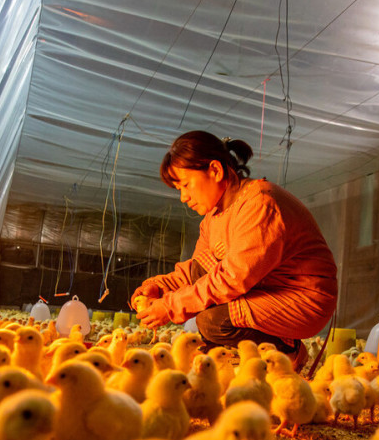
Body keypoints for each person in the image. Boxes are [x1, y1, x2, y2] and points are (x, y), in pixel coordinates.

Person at [132, 130, 337, 372]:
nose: (183, 197)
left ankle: (288, 350)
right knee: (204, 285)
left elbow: (231, 278)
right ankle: (225, 352)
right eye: (179, 189)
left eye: (186, 185)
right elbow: (197, 269)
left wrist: (170, 306)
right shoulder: (213, 217)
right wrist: (160, 286)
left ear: (215, 171)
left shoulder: (259, 204)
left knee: (212, 320)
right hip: (265, 288)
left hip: (302, 298)